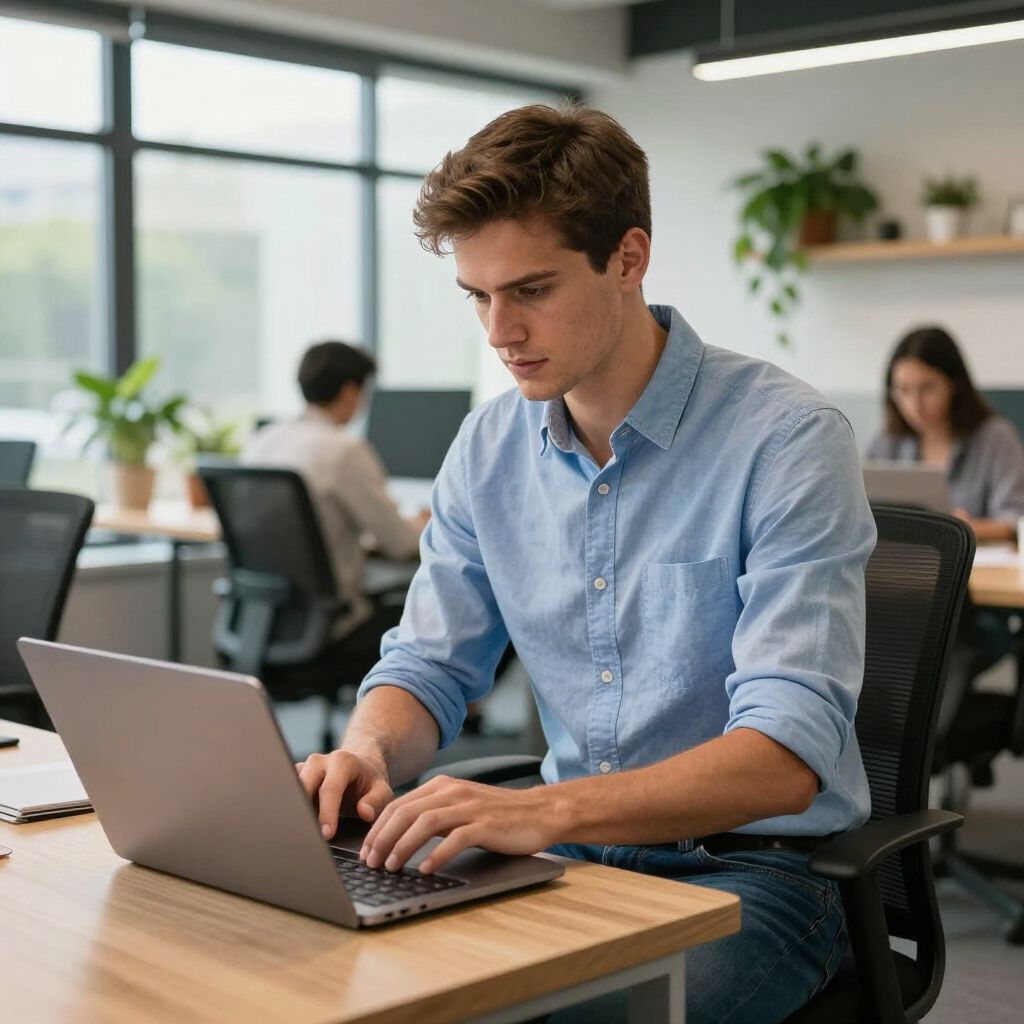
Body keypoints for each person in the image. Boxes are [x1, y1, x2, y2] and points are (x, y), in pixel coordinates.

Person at [298, 104, 876, 1024]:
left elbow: (784, 758)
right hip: (567, 857)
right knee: (353, 978)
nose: (499, 330)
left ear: (628, 258)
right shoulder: (489, 447)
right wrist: (367, 748)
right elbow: (429, 664)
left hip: (758, 873)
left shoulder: (787, 440)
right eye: (478, 296)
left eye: (530, 290)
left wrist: (547, 814)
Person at [242, 341, 427, 652]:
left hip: (262, 622)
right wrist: (425, 523)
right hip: (333, 630)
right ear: (350, 391)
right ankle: (462, 702)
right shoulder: (344, 450)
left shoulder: (262, 442)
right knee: (457, 619)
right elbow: (401, 544)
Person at [865, 326, 1024, 541]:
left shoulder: (996, 438)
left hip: (979, 565)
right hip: (905, 561)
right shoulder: (885, 441)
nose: (915, 404)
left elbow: (1014, 520)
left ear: (954, 384)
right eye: (903, 390)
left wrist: (962, 528)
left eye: (927, 388)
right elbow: (861, 513)